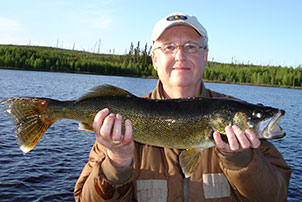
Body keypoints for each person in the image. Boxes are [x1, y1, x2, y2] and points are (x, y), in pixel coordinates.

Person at [74, 12, 291, 202]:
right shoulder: (116, 125)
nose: (180, 55)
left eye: (190, 46)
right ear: (155, 60)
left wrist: (242, 161)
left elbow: (276, 196)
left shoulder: (247, 139)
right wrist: (117, 162)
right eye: (169, 47)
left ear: (205, 57)